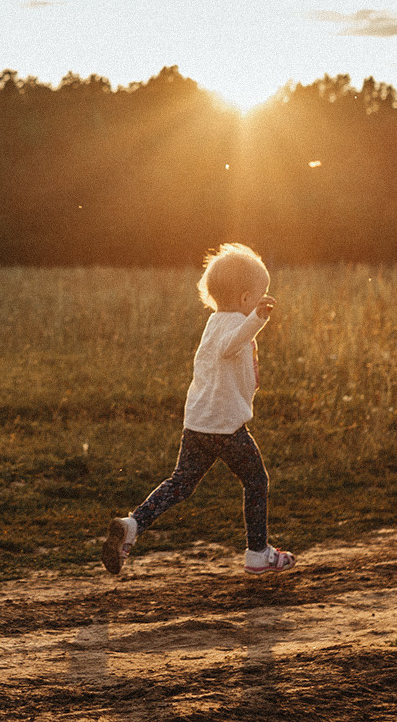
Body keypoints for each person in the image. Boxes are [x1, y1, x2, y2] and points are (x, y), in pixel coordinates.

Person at [101, 242, 293, 575]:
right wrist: (257, 320)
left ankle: (132, 525)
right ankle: (257, 552)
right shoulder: (235, 325)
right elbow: (230, 346)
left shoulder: (215, 322)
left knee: (180, 483)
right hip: (226, 428)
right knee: (256, 481)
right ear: (246, 299)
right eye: (260, 296)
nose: (263, 302)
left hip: (198, 425)